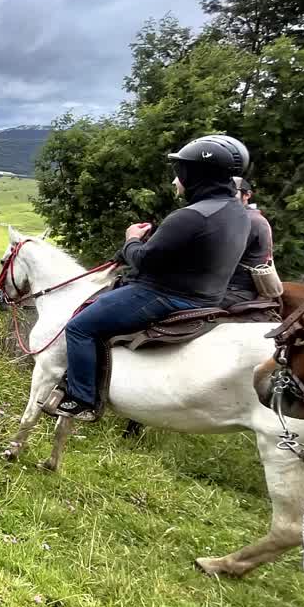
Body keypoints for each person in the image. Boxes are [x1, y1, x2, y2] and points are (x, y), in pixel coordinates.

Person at [44, 135, 252, 421]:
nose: (175, 181)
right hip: (209, 297)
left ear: (196, 175)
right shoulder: (239, 213)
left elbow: (142, 260)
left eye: (180, 174)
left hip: (165, 296)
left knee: (80, 327)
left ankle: (81, 399)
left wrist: (131, 239)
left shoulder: (189, 216)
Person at [221, 175, 275, 307]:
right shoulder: (242, 217)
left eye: (232, 191)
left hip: (237, 290)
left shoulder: (248, 220)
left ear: (247, 195)